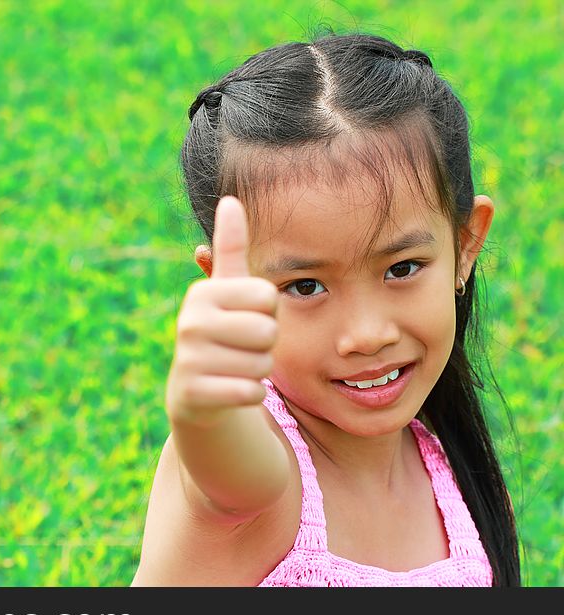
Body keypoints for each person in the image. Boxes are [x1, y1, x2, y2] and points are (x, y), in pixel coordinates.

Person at [131, 30, 520, 586]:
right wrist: (207, 409)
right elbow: (226, 466)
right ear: (228, 286)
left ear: (464, 246)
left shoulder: (455, 474)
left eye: (402, 269)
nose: (365, 334)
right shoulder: (263, 474)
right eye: (306, 286)